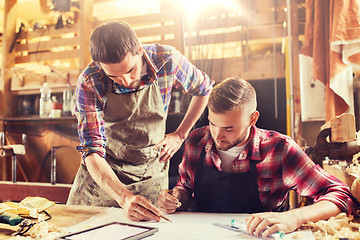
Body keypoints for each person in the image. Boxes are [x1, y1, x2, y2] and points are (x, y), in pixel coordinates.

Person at [158, 77, 359, 237]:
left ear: (252, 118)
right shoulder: (196, 141)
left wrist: (295, 217)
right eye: (212, 124)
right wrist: (176, 198)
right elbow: (185, 187)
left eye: (229, 128)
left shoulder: (279, 149)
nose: (217, 135)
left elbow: (340, 194)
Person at [67, 20, 213, 222]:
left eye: (130, 70)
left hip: (149, 173)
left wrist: (180, 135)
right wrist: (124, 198)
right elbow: (92, 151)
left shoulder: (166, 60)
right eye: (115, 77)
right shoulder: (90, 80)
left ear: (140, 51)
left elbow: (204, 89)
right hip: (104, 178)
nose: (125, 82)